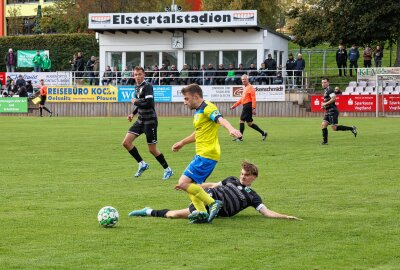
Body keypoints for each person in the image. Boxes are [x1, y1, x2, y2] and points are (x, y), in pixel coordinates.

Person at [129, 160, 302, 223]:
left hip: (221, 211)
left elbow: (267, 212)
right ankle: (207, 209)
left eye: (247, 175)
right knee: (203, 196)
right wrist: (195, 186)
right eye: (242, 174)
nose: (243, 177)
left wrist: (285, 216)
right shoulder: (231, 179)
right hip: (211, 196)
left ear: (254, 177)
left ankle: (148, 211)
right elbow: (212, 185)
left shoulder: (253, 196)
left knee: (175, 215)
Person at [171, 84, 242, 223]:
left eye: (186, 99)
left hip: (206, 154)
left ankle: (212, 203)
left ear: (196, 96)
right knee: (193, 187)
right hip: (204, 154)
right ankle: (202, 214)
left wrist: (231, 129)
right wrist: (182, 143)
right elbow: (198, 133)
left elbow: (220, 119)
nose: (185, 102)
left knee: (183, 183)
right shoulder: (198, 111)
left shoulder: (208, 107)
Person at [122, 66, 173, 180]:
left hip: (150, 122)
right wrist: (132, 114)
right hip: (140, 120)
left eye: (140, 74)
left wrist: (136, 101)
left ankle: (167, 169)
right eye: (135, 74)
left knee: (152, 149)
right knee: (126, 143)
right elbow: (140, 103)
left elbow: (149, 103)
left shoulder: (147, 86)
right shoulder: (137, 86)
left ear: (144, 75)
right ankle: (142, 164)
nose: (137, 76)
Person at [231, 74, 267, 142]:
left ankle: (240, 137)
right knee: (250, 123)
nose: (243, 80)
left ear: (248, 80)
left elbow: (253, 98)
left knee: (241, 120)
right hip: (246, 106)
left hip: (248, 106)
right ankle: (263, 133)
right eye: (242, 79)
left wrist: (253, 108)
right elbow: (241, 99)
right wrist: (234, 105)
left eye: (245, 79)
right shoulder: (245, 88)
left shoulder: (250, 87)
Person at [320, 77, 357, 145]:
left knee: (334, 128)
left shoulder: (330, 90)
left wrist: (325, 103)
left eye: (325, 82)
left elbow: (334, 98)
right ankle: (325, 142)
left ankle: (352, 128)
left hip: (333, 111)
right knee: (323, 124)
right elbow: (329, 100)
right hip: (328, 110)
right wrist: (324, 106)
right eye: (322, 82)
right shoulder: (326, 91)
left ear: (328, 83)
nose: (323, 84)